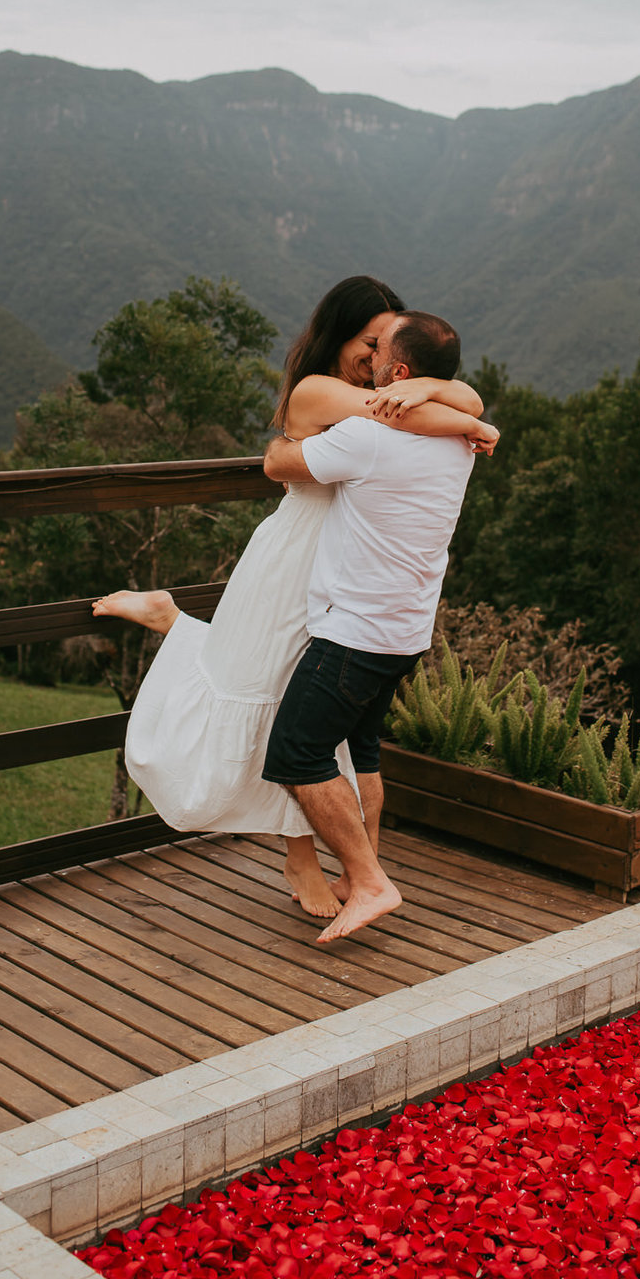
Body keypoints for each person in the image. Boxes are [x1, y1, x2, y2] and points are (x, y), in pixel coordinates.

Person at [92, 276, 497, 920]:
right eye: (367, 341)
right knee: (273, 695)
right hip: (299, 554)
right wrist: (464, 414)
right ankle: (302, 858)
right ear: (340, 337)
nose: (374, 356)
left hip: (348, 563)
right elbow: (436, 414)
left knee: (317, 718)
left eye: (385, 345)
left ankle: (356, 869)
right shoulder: (319, 391)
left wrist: (434, 390)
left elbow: (457, 396)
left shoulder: (394, 393)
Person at [260, 309, 477, 945]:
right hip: (406, 631)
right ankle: (363, 873)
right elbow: (459, 407)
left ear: (399, 373)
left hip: (354, 632)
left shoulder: (367, 437)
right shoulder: (461, 441)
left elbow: (281, 465)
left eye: (380, 351)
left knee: (296, 755)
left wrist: (281, 443)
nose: (371, 359)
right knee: (362, 750)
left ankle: (370, 880)